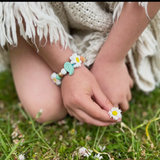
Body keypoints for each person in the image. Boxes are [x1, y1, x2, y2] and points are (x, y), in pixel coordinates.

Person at [0, 2, 160, 126]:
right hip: (41, 16)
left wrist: (111, 61)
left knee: (108, 88)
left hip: (116, 15)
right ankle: (23, 30)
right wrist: (68, 67)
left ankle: (112, 48)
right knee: (46, 108)